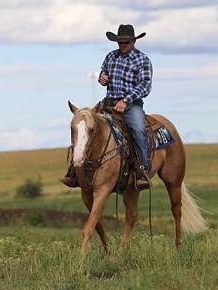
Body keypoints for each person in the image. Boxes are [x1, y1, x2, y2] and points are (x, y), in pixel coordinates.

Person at [61, 24, 153, 190]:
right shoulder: (111, 56)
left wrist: (126, 100)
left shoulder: (143, 60)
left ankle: (142, 170)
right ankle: (74, 169)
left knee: (139, 130)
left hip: (132, 104)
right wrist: (103, 78)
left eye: (125, 42)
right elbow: (104, 73)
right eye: (120, 42)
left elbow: (145, 86)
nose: (122, 45)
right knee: (86, 123)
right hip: (109, 100)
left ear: (133, 41)